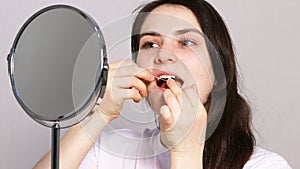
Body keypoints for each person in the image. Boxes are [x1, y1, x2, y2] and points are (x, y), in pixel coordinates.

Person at [34, 0, 292, 168]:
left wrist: (186, 151)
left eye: (186, 42)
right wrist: (98, 113)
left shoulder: (265, 166)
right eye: (150, 44)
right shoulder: (108, 149)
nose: (163, 54)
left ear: (219, 71)